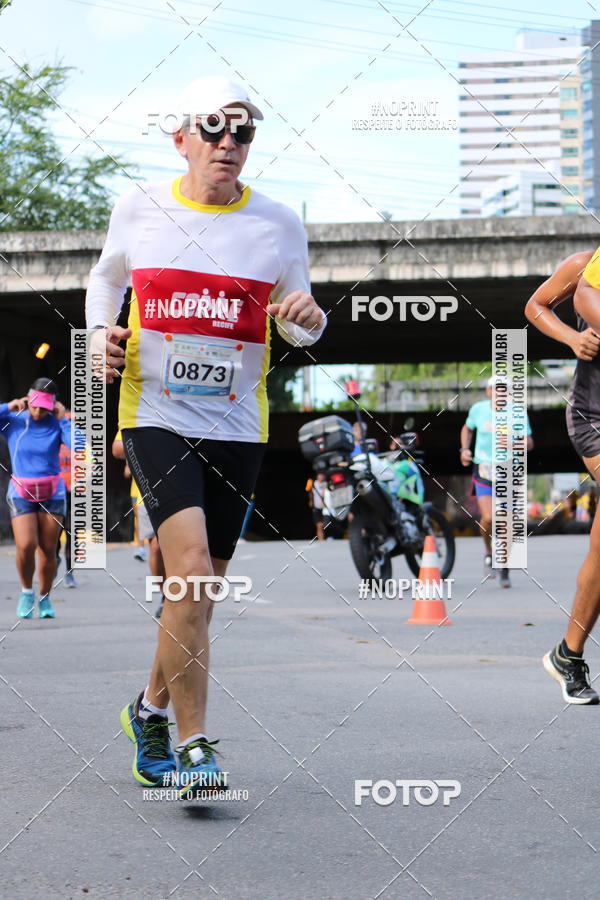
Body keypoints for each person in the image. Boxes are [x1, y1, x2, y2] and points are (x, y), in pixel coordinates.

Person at [86, 76, 326, 796]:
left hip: (238, 422)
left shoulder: (278, 224)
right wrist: (101, 335)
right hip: (155, 413)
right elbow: (105, 280)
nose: (228, 143)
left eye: (243, 132)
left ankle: (149, 709)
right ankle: (193, 747)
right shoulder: (141, 207)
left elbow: (298, 318)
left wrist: (306, 321)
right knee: (186, 569)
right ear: (181, 137)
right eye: (214, 128)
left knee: (201, 590)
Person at [526, 249, 600, 703]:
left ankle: (567, 656)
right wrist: (571, 341)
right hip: (595, 416)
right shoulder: (583, 266)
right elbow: (536, 305)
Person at [0, 378, 72, 618]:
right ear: (28, 399)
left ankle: (45, 597)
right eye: (35, 405)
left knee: (48, 549)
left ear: (53, 406)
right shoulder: (14, 420)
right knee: (26, 545)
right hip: (22, 491)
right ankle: (26, 591)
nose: (38, 412)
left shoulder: (57, 422)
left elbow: (79, 445)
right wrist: (8, 406)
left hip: (52, 492)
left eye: (44, 407)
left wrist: (63, 419)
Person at [460, 375, 533, 589]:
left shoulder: (518, 413)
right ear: (489, 391)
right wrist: (465, 449)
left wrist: (513, 443)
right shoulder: (478, 409)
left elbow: (529, 443)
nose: (500, 392)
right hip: (484, 468)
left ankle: (503, 567)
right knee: (489, 518)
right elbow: (467, 428)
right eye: (496, 388)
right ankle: (488, 552)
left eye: (504, 389)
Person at [112, 432, 166, 618]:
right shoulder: (139, 417)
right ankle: (166, 593)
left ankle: (182, 594)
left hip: (178, 492)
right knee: (157, 547)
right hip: (146, 495)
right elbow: (117, 448)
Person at [57, 412, 77, 588]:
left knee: (71, 534)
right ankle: (54, 560)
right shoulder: (54, 439)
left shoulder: (79, 442)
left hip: (73, 493)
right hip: (55, 493)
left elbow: (90, 466)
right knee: (54, 533)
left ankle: (70, 572)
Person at [306, 473, 327, 540]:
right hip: (317, 507)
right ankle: (321, 540)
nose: (321, 476)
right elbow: (310, 492)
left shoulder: (327, 483)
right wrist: (311, 501)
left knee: (326, 524)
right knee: (319, 525)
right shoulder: (313, 483)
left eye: (322, 475)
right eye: (319, 475)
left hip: (326, 508)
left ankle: (328, 537)